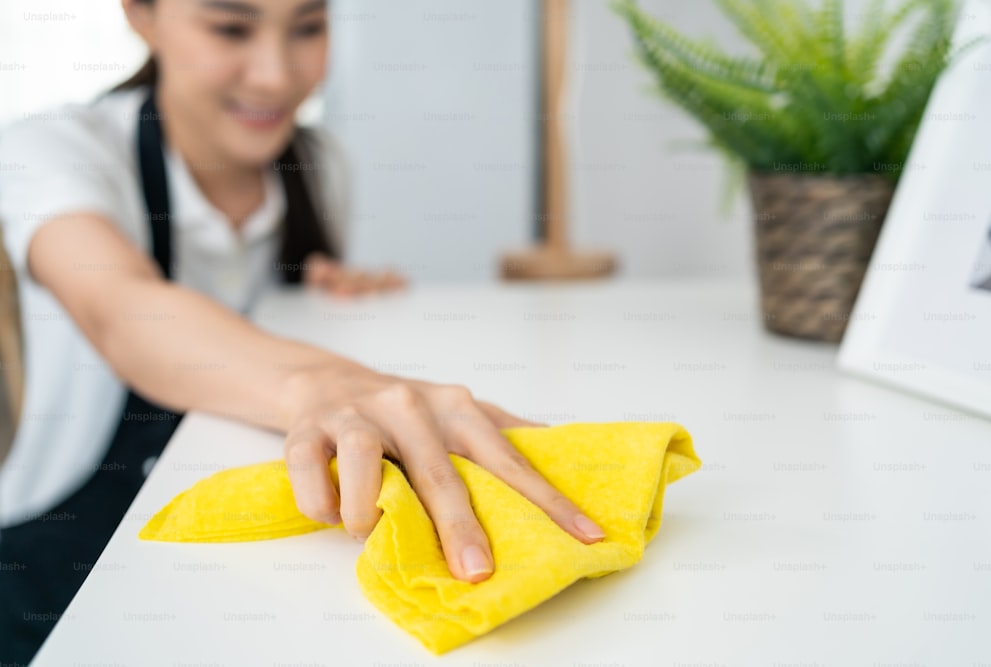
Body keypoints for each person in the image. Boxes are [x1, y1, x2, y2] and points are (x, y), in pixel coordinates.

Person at [0, 0, 606, 662]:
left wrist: (331, 297)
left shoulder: (318, 165)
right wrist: (332, 384)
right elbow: (124, 310)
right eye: (231, 27)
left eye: (309, 28)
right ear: (140, 15)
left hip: (240, 575)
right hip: (50, 586)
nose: (275, 75)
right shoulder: (55, 149)